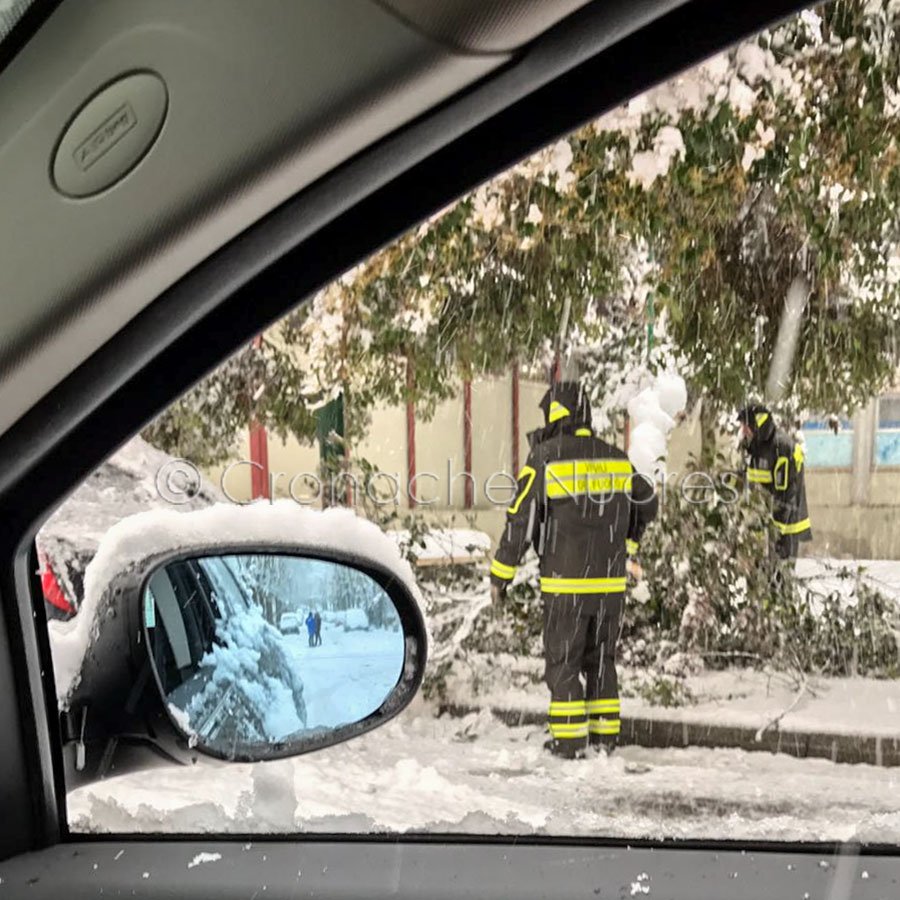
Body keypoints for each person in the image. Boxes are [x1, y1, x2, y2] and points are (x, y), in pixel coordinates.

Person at [489, 381, 658, 759]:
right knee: (602, 662)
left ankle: (569, 743)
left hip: (566, 585)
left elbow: (521, 521)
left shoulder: (546, 458)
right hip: (610, 586)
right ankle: (605, 740)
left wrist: (501, 574)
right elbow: (647, 504)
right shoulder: (616, 458)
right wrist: (627, 544)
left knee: (564, 662)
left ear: (556, 415)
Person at [738, 404, 812, 559]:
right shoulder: (756, 447)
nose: (744, 431)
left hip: (786, 528)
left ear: (757, 425)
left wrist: (776, 531)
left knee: (778, 577)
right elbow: (752, 482)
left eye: (746, 426)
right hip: (765, 524)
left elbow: (785, 495)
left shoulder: (781, 448)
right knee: (761, 576)